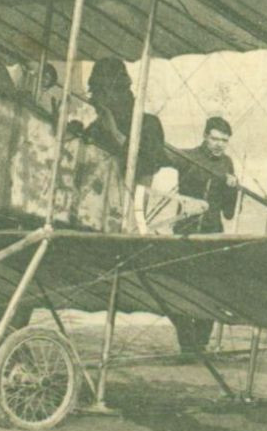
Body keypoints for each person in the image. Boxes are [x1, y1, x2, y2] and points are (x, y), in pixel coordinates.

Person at [167, 116, 241, 353]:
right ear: (205, 137)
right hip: (185, 233)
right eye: (215, 139)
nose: (219, 144)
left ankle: (199, 342)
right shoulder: (188, 157)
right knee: (177, 289)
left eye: (224, 141)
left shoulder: (227, 163)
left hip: (212, 233)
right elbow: (160, 156)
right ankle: (187, 341)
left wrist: (233, 189)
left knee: (210, 290)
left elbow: (229, 212)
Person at [85, 58, 166, 232]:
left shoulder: (147, 124)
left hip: (126, 216)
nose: (97, 102)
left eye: (101, 95)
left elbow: (145, 167)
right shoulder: (96, 128)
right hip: (90, 213)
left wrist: (114, 132)